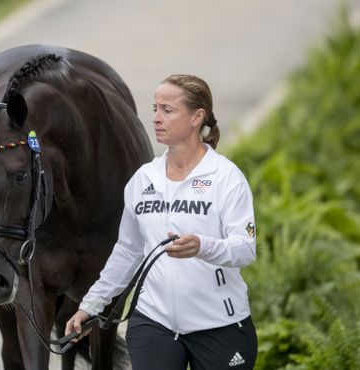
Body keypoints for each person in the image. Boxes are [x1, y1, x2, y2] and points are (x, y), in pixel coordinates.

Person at [65, 74, 258, 370]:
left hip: (220, 324)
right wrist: (90, 306)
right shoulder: (143, 180)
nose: (156, 118)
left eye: (167, 110)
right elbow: (127, 252)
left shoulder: (226, 177)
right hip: (153, 323)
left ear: (197, 117)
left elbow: (245, 249)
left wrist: (202, 246)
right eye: (155, 108)